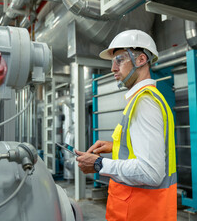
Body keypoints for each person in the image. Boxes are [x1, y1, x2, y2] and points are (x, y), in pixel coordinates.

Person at [75, 29, 177, 221]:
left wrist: (98, 164)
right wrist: (115, 147)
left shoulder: (145, 102)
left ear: (140, 60)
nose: (113, 68)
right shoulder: (142, 99)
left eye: (119, 60)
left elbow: (151, 173)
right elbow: (146, 150)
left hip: (140, 213)